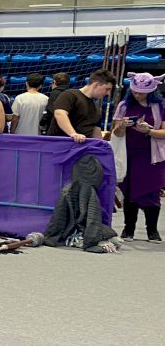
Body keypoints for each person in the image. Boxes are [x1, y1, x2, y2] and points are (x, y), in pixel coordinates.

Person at [112, 73, 165, 243]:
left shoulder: (160, 106)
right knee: (129, 191)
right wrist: (122, 125)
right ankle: (128, 229)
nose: (137, 95)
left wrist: (149, 131)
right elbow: (116, 132)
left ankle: (152, 230)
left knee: (152, 191)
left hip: (152, 155)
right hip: (129, 154)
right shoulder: (123, 105)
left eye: (141, 93)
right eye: (135, 92)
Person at [49, 69, 117, 142]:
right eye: (107, 89)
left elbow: (96, 133)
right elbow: (60, 114)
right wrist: (73, 134)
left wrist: (102, 145)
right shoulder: (69, 95)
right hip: (60, 144)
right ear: (96, 85)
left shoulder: (96, 108)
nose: (108, 93)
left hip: (80, 147)